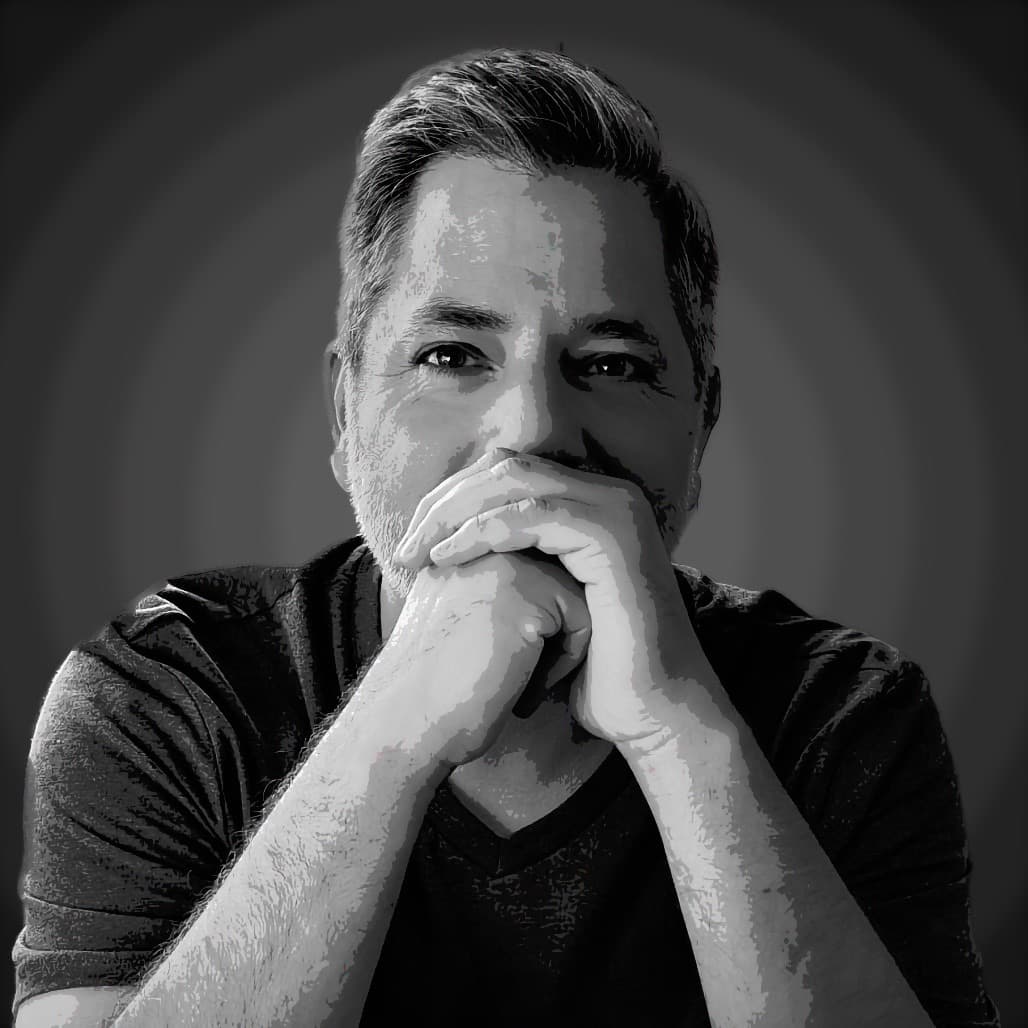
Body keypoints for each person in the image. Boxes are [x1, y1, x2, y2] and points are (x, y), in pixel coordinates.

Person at [12, 49, 998, 1027]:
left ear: (700, 424)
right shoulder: (166, 696)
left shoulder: (845, 713)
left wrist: (680, 731)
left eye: (610, 364)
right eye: (451, 355)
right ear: (345, 411)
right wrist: (395, 728)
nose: (530, 431)